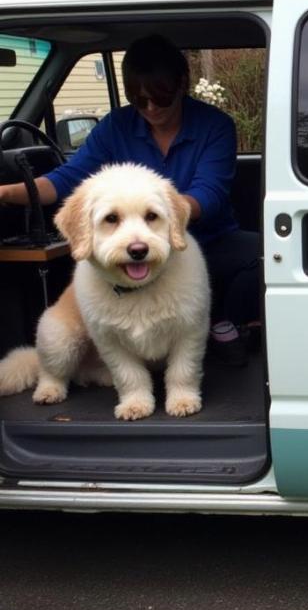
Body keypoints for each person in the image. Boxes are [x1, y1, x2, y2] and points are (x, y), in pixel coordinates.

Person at [0, 34, 259, 367]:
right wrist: (6, 193)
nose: (150, 109)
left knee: (262, 256)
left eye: (160, 98)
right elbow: (66, 180)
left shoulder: (215, 125)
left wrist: (163, 217)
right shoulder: (115, 126)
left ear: (182, 84)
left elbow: (208, 194)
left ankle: (220, 318)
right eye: (139, 100)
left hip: (209, 237)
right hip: (135, 242)